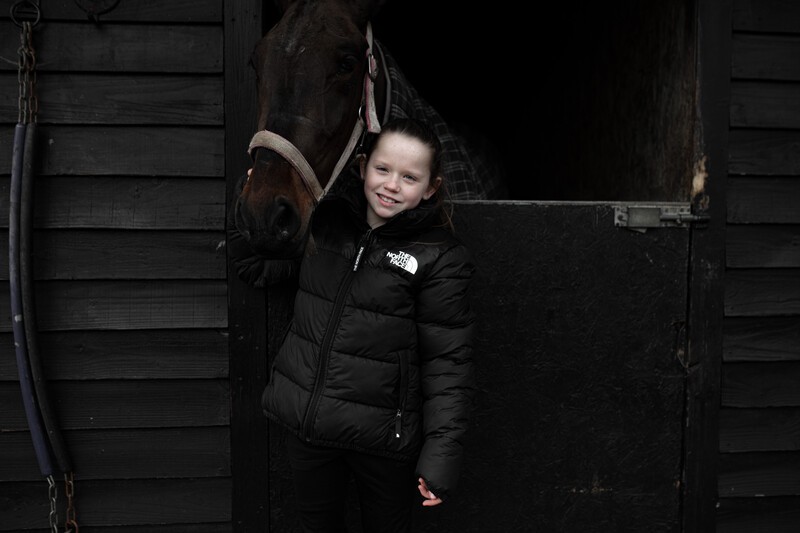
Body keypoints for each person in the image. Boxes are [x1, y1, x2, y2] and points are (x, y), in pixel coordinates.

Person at [260, 117, 477, 533]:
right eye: (382, 169)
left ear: (431, 187)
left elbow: (449, 364)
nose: (392, 185)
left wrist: (440, 457)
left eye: (410, 177)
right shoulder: (327, 225)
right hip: (311, 428)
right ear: (362, 167)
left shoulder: (439, 257)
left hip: (384, 442)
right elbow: (254, 261)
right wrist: (255, 192)